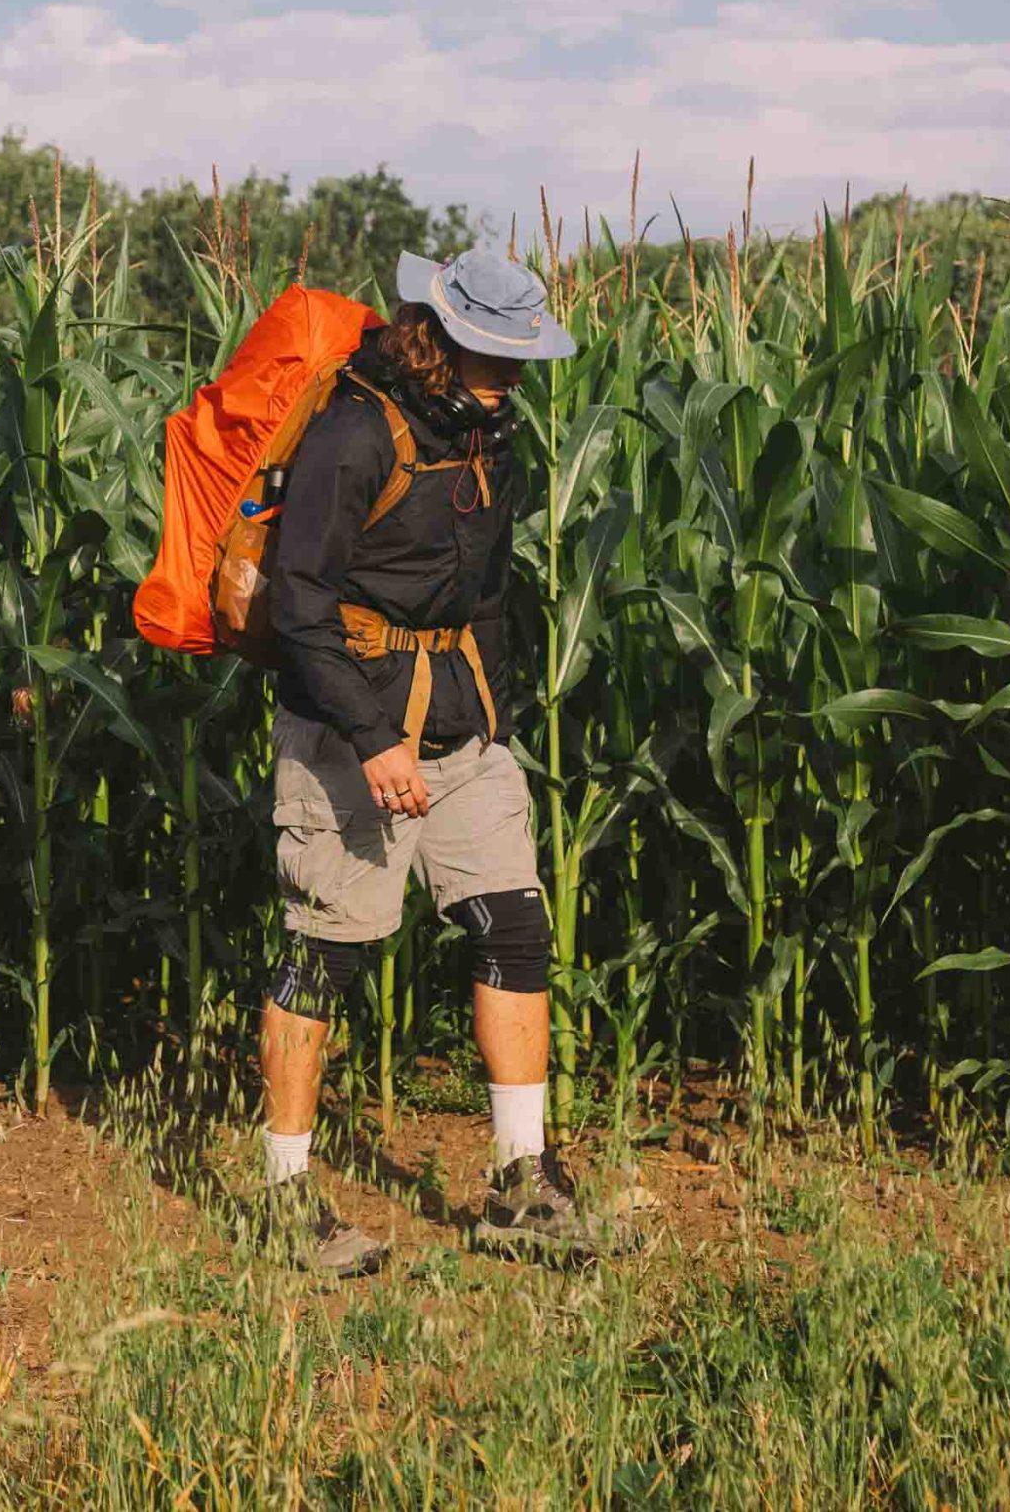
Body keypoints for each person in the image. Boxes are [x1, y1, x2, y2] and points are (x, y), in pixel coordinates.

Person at [255, 244, 613, 1274]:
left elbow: (486, 588)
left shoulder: (490, 435)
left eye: (520, 360)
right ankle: (285, 1198)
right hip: (347, 724)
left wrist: (487, 718)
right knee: (325, 952)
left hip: (463, 725)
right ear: (441, 337)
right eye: (494, 357)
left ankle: (523, 1185)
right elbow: (299, 600)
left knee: (514, 928)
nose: (511, 377)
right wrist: (371, 741)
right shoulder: (355, 430)